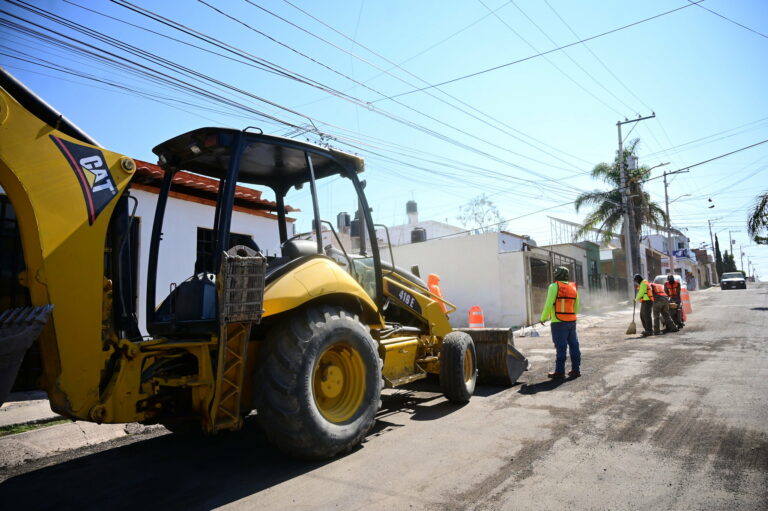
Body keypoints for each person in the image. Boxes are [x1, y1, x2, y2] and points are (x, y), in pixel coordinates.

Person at [540, 266, 581, 379]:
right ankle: (576, 370)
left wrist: (543, 317)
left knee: (561, 347)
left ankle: (559, 371)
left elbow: (549, 304)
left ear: (557, 275)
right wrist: (571, 316)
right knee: (574, 346)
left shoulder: (554, 286)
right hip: (572, 321)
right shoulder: (573, 287)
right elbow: (576, 306)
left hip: (558, 321)